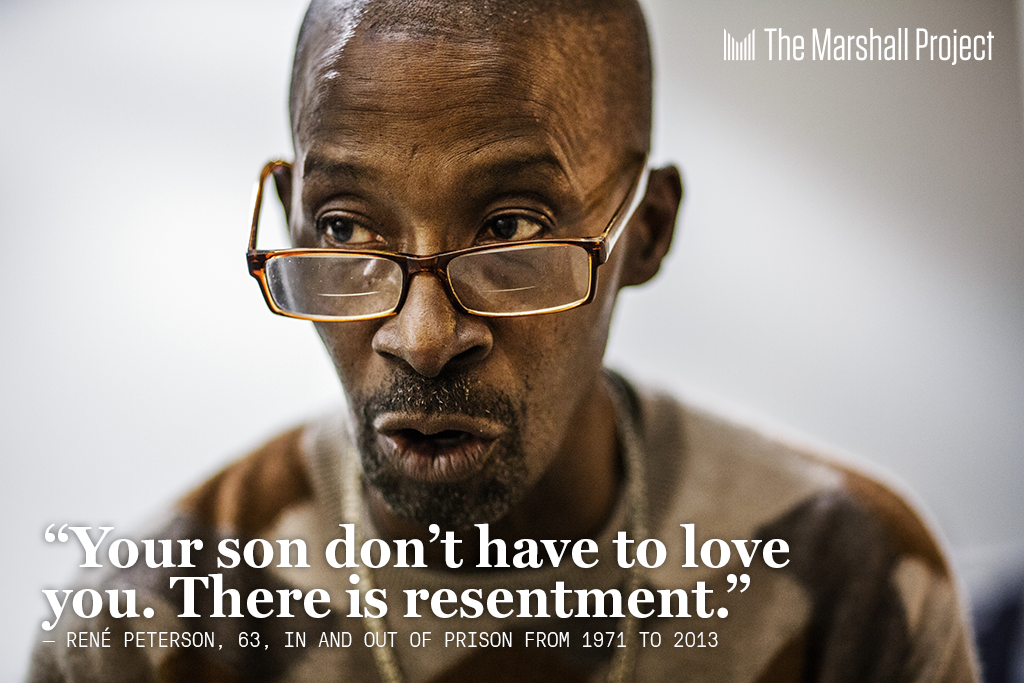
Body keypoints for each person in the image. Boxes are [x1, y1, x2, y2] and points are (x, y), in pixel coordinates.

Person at [29, 0, 979, 681]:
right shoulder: (139, 635)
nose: (422, 336)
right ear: (291, 221)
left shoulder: (855, 578)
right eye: (347, 228)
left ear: (645, 231)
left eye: (512, 226)